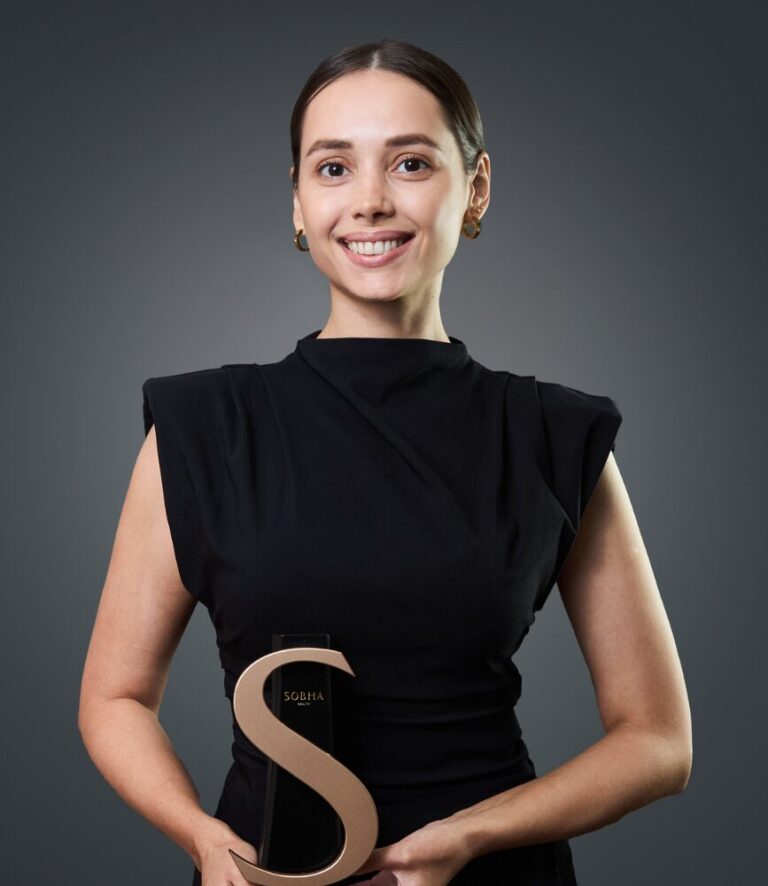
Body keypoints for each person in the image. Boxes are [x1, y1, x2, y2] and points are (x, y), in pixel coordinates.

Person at [78, 39, 692, 886]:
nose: (369, 201)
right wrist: (202, 841)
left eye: (410, 163)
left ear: (475, 188)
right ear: (298, 203)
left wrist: (471, 836)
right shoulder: (202, 426)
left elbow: (658, 739)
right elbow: (113, 699)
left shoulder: (553, 433)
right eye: (333, 169)